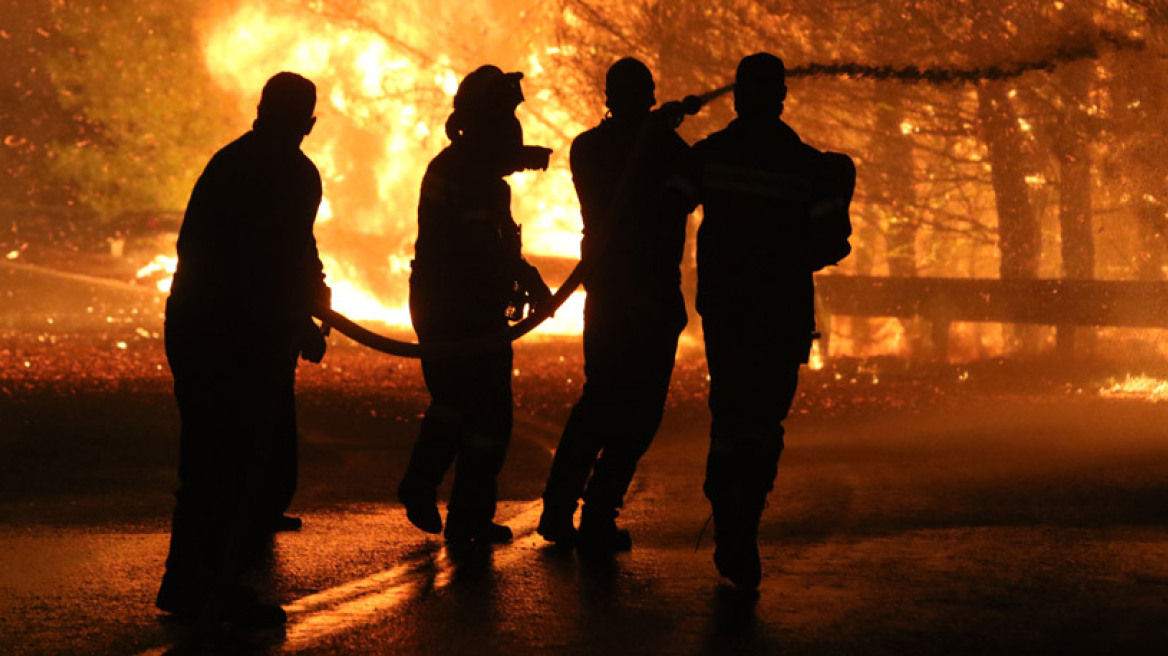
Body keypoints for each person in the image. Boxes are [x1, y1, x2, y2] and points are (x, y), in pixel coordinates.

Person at [155, 71, 331, 628]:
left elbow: (292, 250)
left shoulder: (230, 160)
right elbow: (280, 257)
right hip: (235, 333)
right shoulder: (293, 172)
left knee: (213, 460)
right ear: (308, 121)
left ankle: (195, 582)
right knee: (227, 463)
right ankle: (206, 591)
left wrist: (308, 304)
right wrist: (304, 317)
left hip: (197, 324)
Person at [692, 53, 853, 589]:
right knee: (763, 421)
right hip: (780, 313)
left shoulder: (710, 157)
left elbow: (658, 192)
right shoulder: (807, 166)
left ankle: (727, 517)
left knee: (729, 413)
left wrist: (653, 126)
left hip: (725, 310)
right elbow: (829, 244)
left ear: (737, 97)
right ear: (781, 98)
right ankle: (744, 522)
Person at [538, 58, 697, 552]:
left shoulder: (588, 147)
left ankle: (559, 510)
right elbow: (678, 196)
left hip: (607, 293)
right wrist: (658, 132)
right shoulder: (667, 151)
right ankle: (599, 513)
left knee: (599, 400)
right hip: (648, 295)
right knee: (640, 410)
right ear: (648, 96)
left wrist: (654, 130)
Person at [398, 65, 552, 545]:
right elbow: (480, 247)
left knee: (457, 403)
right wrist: (527, 280)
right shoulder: (471, 175)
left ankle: (436, 494)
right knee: (484, 411)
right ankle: (456, 510)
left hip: (449, 303)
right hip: (459, 307)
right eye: (504, 116)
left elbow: (491, 243)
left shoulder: (464, 168)